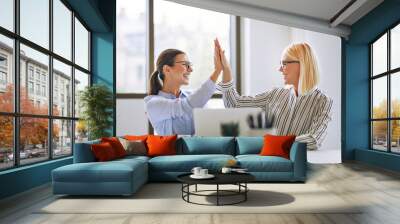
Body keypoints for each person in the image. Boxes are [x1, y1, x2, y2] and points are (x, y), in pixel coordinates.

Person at [215, 40, 332, 150]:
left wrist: (274, 144)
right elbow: (235, 104)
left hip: (297, 165)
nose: (280, 69)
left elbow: (314, 140)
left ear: (302, 64)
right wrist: (226, 70)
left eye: (284, 63)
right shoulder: (275, 94)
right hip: (269, 161)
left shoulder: (323, 101)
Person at [144, 40, 222, 135]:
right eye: (185, 65)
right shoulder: (153, 104)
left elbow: (211, 122)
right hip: (171, 150)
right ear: (167, 69)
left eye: (190, 65)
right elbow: (186, 106)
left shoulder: (192, 97)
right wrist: (217, 71)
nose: (191, 69)